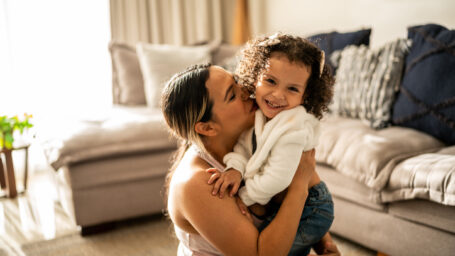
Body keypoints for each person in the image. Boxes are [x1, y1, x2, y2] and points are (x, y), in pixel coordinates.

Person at [161, 63, 340, 255]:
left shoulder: (256, 133)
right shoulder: (196, 184)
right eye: (232, 95)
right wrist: (299, 186)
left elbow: (305, 192)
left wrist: (324, 246)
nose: (247, 90)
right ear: (207, 128)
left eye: (237, 82)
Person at [207, 33, 335, 256]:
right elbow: (245, 148)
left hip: (312, 207)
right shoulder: (260, 116)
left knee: (269, 249)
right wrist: (235, 169)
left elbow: (278, 178)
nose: (277, 95)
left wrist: (243, 198)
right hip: (281, 199)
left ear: (305, 96)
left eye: (292, 89)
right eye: (271, 81)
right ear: (255, 76)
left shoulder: (293, 127)